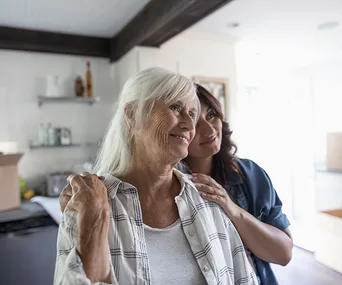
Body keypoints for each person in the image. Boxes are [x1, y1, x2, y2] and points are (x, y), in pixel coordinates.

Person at [54, 67, 258, 285]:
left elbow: (243, 279)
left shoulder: (207, 199)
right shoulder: (88, 208)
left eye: (191, 114)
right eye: (175, 107)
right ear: (132, 115)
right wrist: (94, 220)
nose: (190, 126)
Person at [179, 84, 293, 285]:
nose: (209, 129)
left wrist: (233, 210)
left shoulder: (250, 175)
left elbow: (283, 253)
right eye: (195, 121)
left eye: (212, 114)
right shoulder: (167, 186)